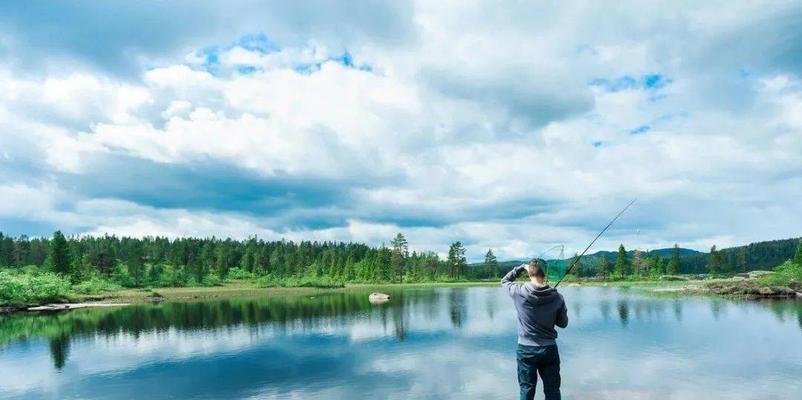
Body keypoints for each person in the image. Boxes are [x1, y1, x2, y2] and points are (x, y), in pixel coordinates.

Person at [501, 258, 568, 400]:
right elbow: (563, 323)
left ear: (530, 273)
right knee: (552, 389)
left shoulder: (518, 292)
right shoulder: (557, 297)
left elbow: (504, 281)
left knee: (527, 388)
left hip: (525, 349)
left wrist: (520, 268)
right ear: (545, 275)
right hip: (549, 349)